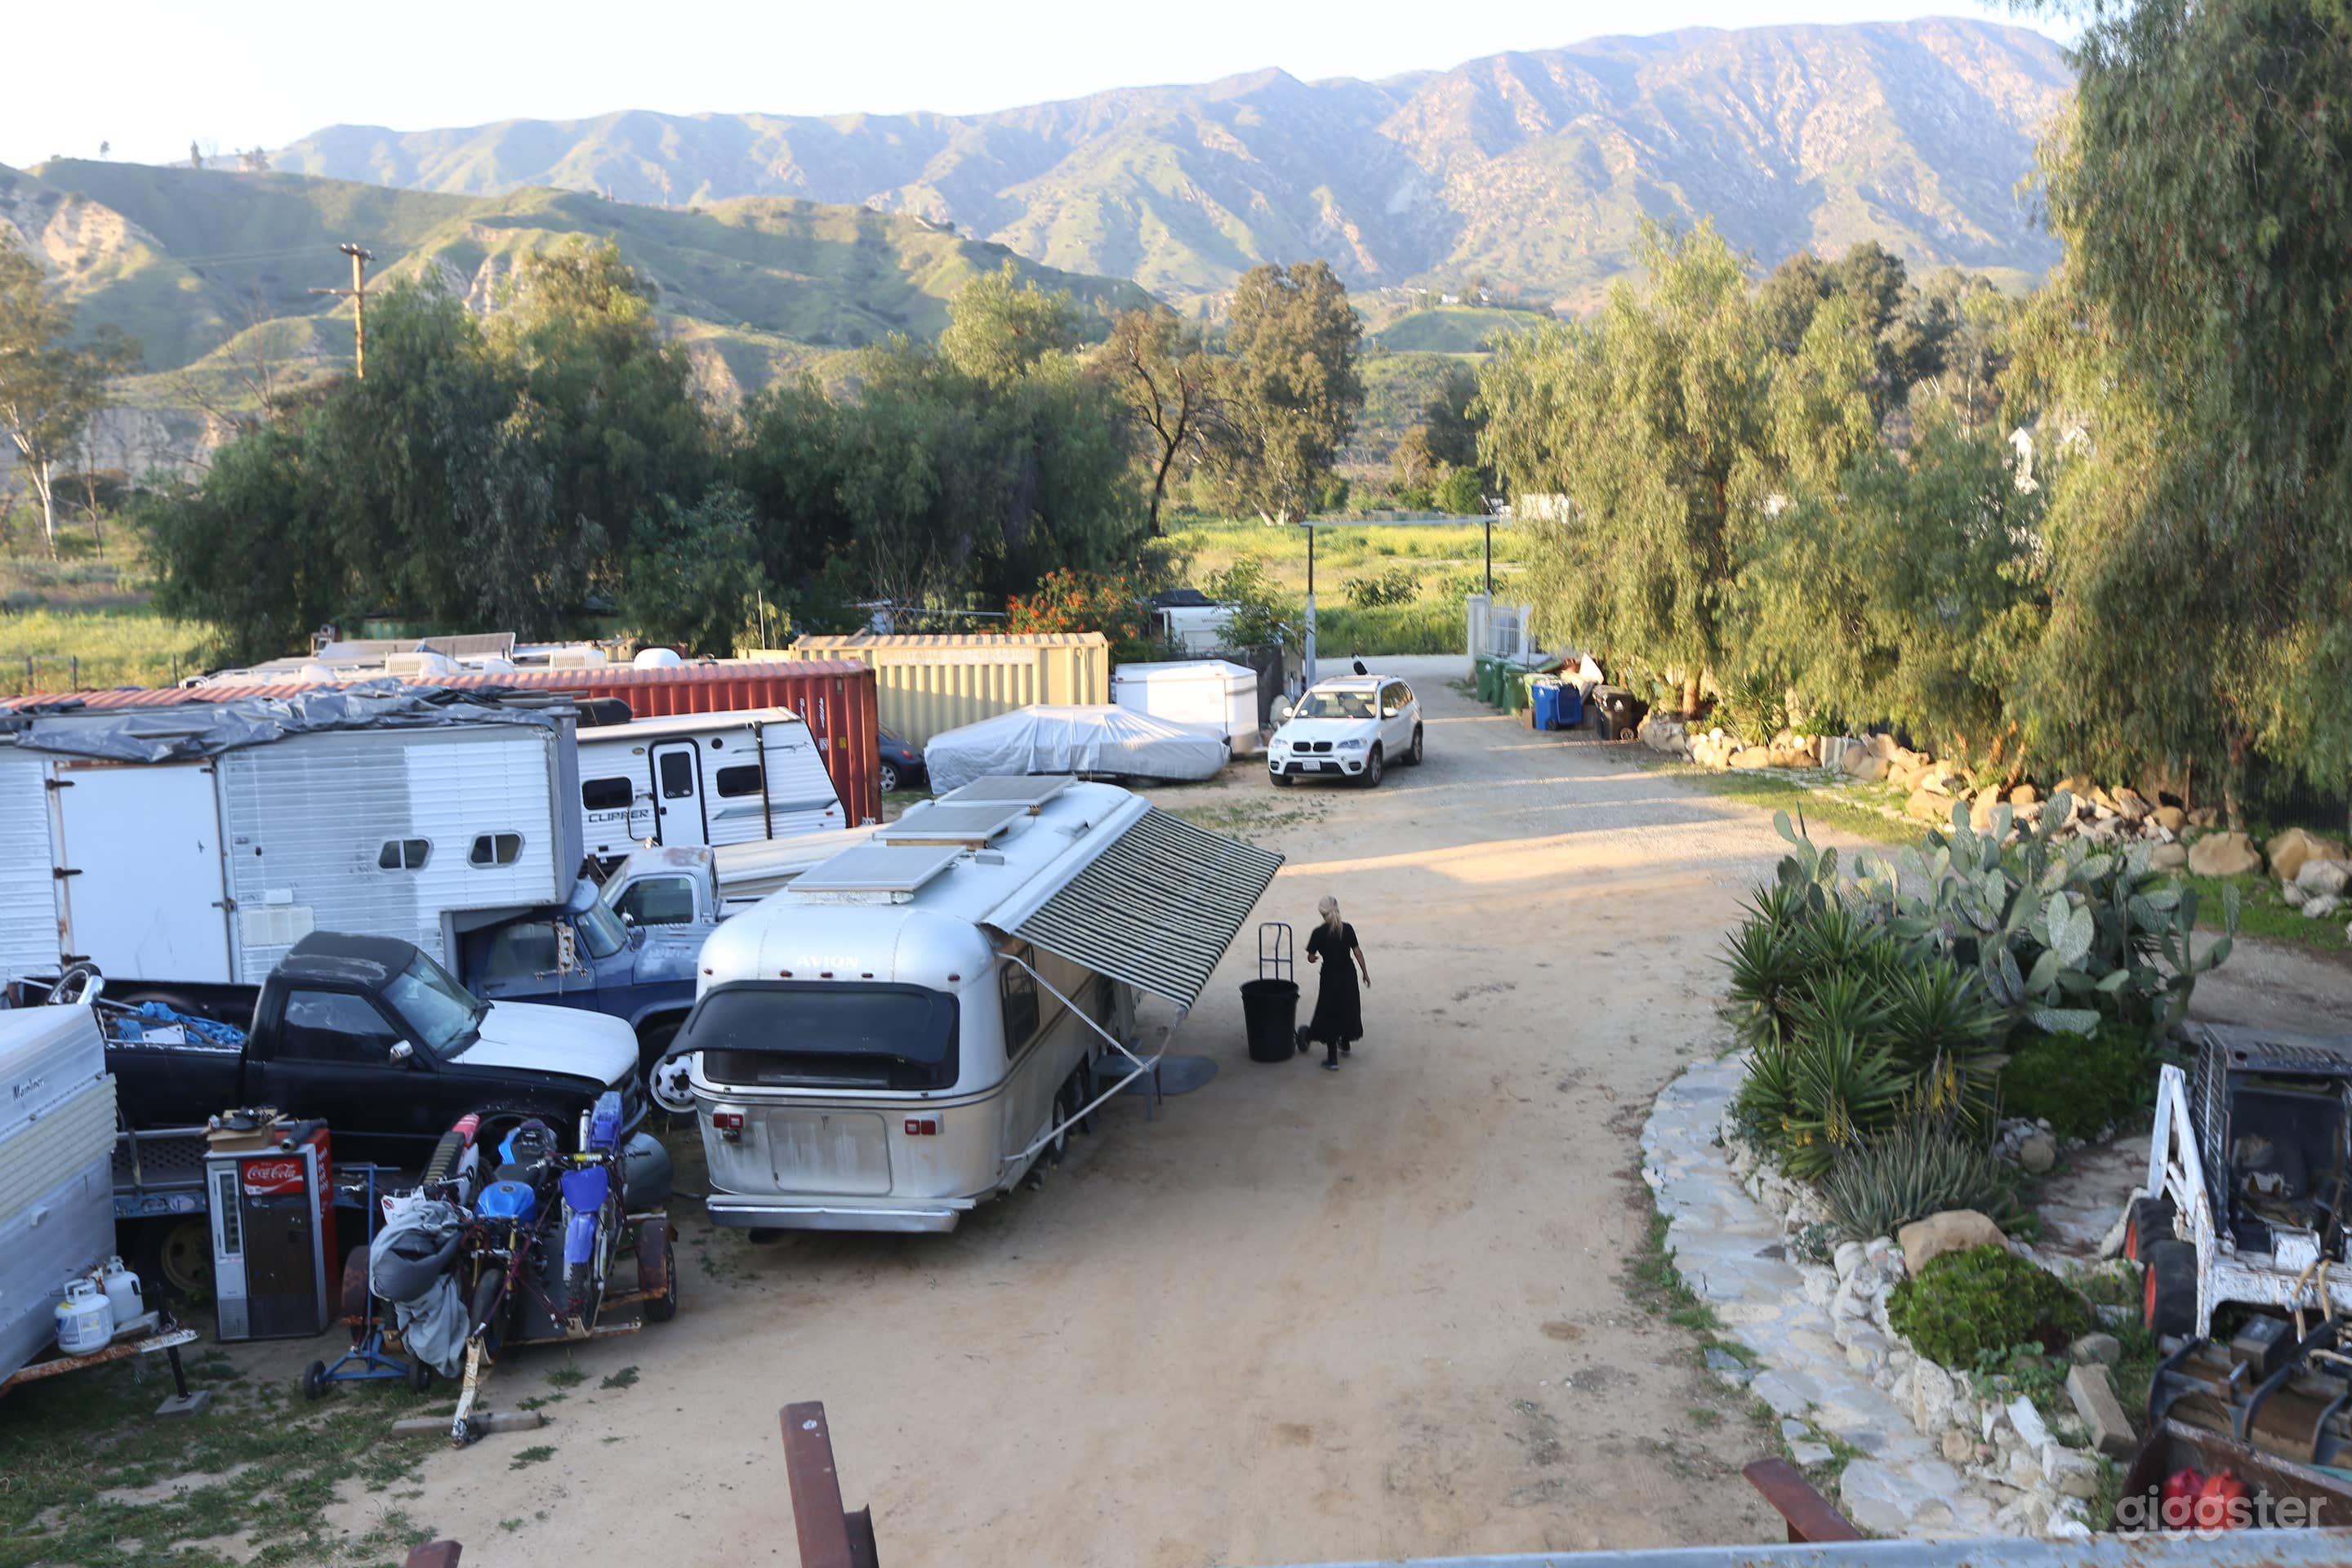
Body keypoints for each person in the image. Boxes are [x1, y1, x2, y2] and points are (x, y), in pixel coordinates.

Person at [1298, 894, 1369, 1071]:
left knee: (1329, 1013)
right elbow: (1358, 952)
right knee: (1347, 1008)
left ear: (1322, 913)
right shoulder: (1348, 929)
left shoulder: (1318, 933)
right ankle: (1345, 1044)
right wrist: (1365, 973)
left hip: (1330, 976)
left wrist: (1314, 957)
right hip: (1348, 975)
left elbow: (1311, 957)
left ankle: (1332, 1060)